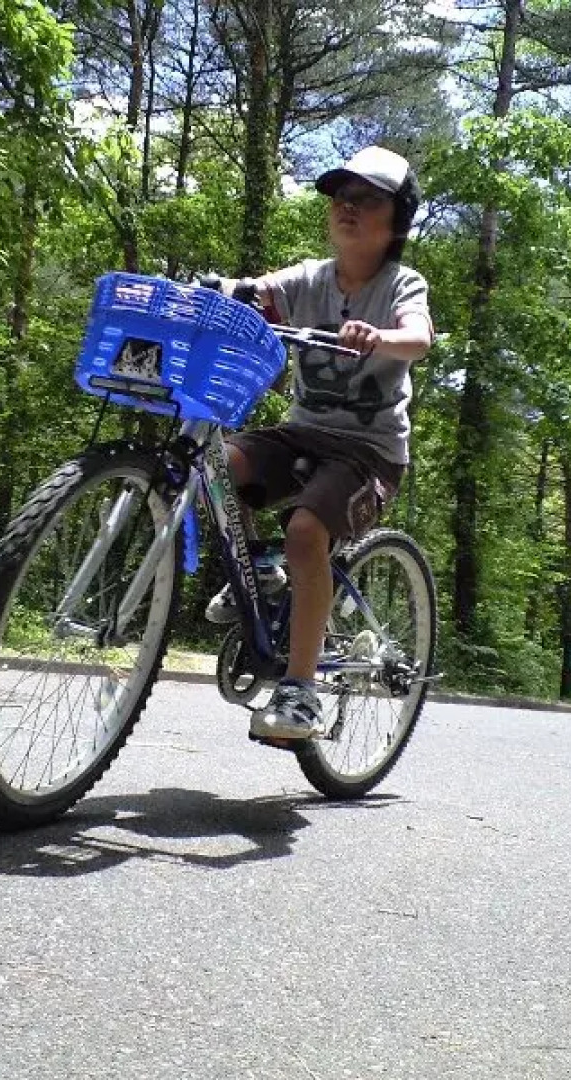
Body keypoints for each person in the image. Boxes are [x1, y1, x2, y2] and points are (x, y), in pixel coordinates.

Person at [204, 145, 434, 740]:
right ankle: (262, 571)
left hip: (369, 452)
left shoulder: (401, 283)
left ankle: (301, 691)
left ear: (397, 221)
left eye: (367, 199)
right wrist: (217, 288)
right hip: (303, 428)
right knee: (214, 464)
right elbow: (256, 290)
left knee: (308, 533)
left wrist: (379, 336)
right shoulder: (311, 278)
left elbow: (419, 337)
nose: (347, 207)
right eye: (340, 196)